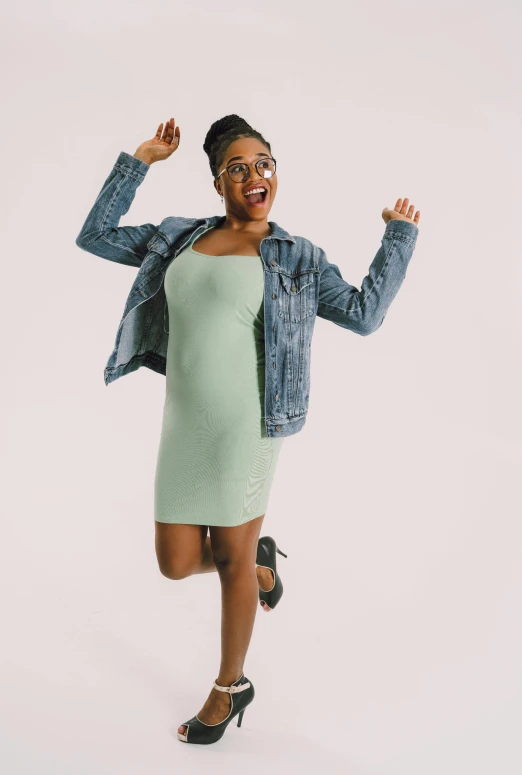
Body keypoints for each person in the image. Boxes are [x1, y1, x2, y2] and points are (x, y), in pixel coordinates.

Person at [76, 114, 420, 745]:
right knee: (175, 562)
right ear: (217, 182)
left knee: (228, 555)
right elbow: (94, 235)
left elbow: (365, 315)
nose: (255, 175)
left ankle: (230, 687)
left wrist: (398, 238)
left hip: (250, 427)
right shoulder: (177, 238)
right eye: (238, 167)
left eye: (264, 163)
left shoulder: (295, 257)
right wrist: (141, 160)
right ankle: (260, 565)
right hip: (183, 422)